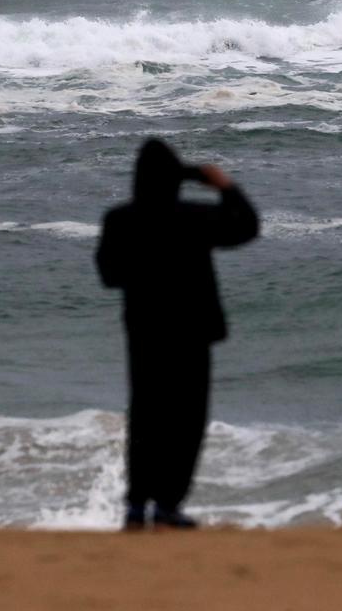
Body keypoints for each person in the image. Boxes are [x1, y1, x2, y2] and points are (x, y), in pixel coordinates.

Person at [95, 139, 260, 530]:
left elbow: (109, 276)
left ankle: (136, 505)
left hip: (145, 334)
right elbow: (246, 227)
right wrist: (224, 185)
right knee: (186, 420)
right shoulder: (193, 217)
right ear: (178, 178)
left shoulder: (119, 219)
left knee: (146, 419)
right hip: (192, 333)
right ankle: (168, 505)